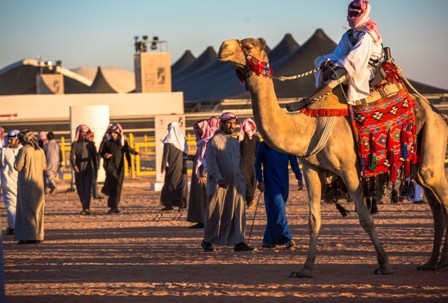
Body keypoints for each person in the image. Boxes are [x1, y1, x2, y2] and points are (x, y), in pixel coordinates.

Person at [287, 0, 383, 111]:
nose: (352, 17)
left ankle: (307, 101)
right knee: (322, 63)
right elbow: (339, 53)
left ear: (363, 14)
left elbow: (356, 58)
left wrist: (336, 65)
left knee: (337, 75)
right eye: (350, 14)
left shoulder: (367, 34)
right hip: (352, 62)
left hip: (365, 68)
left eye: (355, 14)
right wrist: (329, 61)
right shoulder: (349, 34)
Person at [201, 112, 255, 252]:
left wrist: (242, 180)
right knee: (214, 212)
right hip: (219, 183)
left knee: (238, 211)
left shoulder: (234, 142)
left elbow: (238, 163)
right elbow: (212, 163)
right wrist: (219, 179)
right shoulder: (214, 141)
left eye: (233, 123)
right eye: (228, 123)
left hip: (236, 183)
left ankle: (238, 241)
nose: (231, 126)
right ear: (222, 124)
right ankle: (207, 240)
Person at [255, 141, 303, 250]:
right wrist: (260, 180)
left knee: (275, 212)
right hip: (271, 185)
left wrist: (299, 176)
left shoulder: (286, 143)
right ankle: (287, 238)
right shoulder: (263, 145)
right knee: (279, 209)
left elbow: (293, 161)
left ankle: (268, 241)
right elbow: (257, 164)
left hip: (284, 184)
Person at [14, 130, 46, 244]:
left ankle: (29, 236)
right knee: (38, 210)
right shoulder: (40, 151)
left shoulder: (24, 150)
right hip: (39, 186)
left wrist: (16, 158)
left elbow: (17, 167)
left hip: (26, 184)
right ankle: (38, 235)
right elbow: (44, 166)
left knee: (27, 210)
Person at [100, 123, 138, 214]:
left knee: (118, 188)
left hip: (120, 169)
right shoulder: (107, 143)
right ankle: (112, 206)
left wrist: (129, 165)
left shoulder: (123, 143)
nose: (113, 134)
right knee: (112, 187)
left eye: (115, 133)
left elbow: (127, 153)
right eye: (111, 133)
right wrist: (105, 155)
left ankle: (115, 206)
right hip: (110, 168)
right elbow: (101, 153)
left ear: (118, 133)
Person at [187, 120, 213, 228]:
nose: (196, 131)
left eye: (198, 129)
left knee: (204, 197)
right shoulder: (201, 142)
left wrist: (202, 174)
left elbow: (205, 159)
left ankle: (206, 220)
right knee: (199, 197)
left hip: (204, 175)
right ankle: (201, 219)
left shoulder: (207, 142)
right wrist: (191, 157)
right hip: (199, 174)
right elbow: (199, 157)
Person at [160, 122, 188, 211]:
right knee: (181, 185)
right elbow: (185, 154)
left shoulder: (168, 141)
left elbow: (165, 155)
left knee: (169, 185)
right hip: (181, 167)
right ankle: (182, 205)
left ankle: (169, 205)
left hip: (171, 167)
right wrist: (184, 167)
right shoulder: (183, 140)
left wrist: (163, 167)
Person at [70, 124, 98, 215]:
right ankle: (84, 207)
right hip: (78, 170)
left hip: (88, 169)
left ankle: (87, 208)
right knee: (80, 189)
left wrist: (96, 171)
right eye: (82, 132)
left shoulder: (91, 145)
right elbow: (71, 157)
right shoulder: (74, 145)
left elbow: (95, 159)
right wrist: (74, 166)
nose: (84, 134)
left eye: (86, 133)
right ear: (79, 133)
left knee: (87, 189)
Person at [0, 130, 22, 235]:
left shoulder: (4, 151)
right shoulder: (23, 150)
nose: (9, 141)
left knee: (11, 206)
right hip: (12, 183)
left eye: (12, 139)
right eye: (8, 138)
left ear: (18, 139)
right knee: (14, 205)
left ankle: (13, 227)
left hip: (13, 182)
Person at [238, 118, 260, 209]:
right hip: (243, 163)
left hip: (254, 163)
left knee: (253, 182)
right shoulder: (240, 138)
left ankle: (250, 199)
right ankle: (250, 200)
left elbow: (258, 151)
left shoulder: (256, 138)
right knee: (246, 182)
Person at [86, 131, 102, 200]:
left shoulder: (91, 145)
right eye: (91, 136)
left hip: (91, 165)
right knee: (93, 180)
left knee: (93, 180)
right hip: (91, 166)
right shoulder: (91, 146)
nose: (93, 138)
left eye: (93, 136)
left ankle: (94, 194)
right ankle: (94, 195)